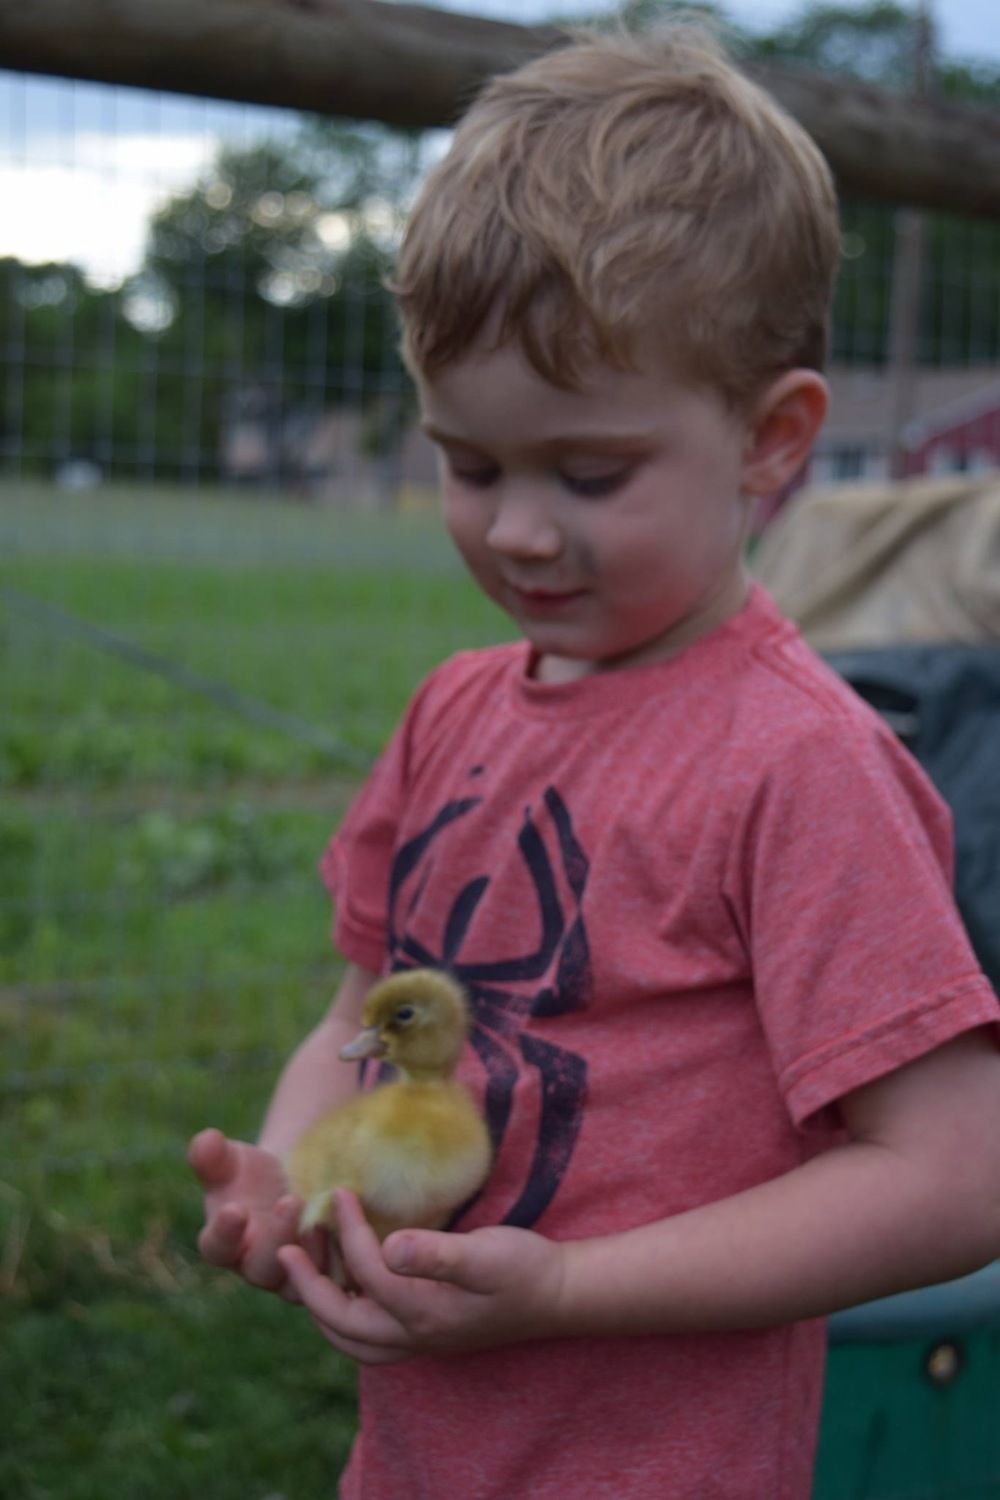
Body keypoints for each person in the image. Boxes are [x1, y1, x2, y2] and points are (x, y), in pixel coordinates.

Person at [189, 24, 1000, 1499]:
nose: (516, 529)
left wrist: (570, 1288)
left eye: (589, 473)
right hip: (419, 1460)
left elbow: (957, 1172)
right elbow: (356, 1020)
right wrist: (286, 1174)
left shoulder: (801, 764)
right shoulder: (450, 713)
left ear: (771, 440)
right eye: (470, 463)